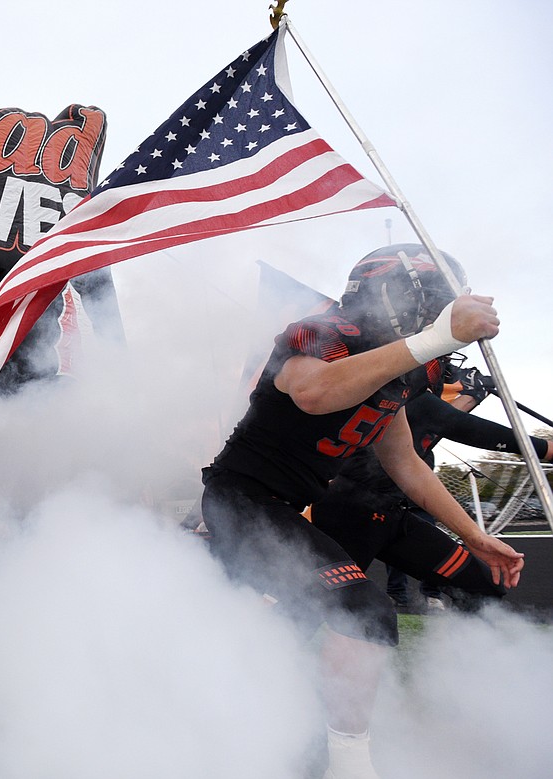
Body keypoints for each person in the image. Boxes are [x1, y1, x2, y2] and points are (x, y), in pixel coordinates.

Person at [199, 244, 524, 779]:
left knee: (324, 616)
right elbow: (312, 393)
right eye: (433, 302)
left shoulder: (396, 369)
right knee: (362, 612)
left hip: (289, 506)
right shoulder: (322, 330)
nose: (437, 314)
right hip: (243, 498)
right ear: (391, 293)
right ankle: (346, 763)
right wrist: (432, 341)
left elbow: (407, 466)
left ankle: (255, 707)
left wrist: (471, 534)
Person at [312, 359, 553, 614]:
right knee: (314, 608)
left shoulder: (408, 401)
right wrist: (547, 449)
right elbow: (466, 427)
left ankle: (463, 652)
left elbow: (440, 421)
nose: (448, 372)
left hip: (391, 514)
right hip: (352, 516)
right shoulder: (403, 396)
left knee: (479, 585)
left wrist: (472, 395)